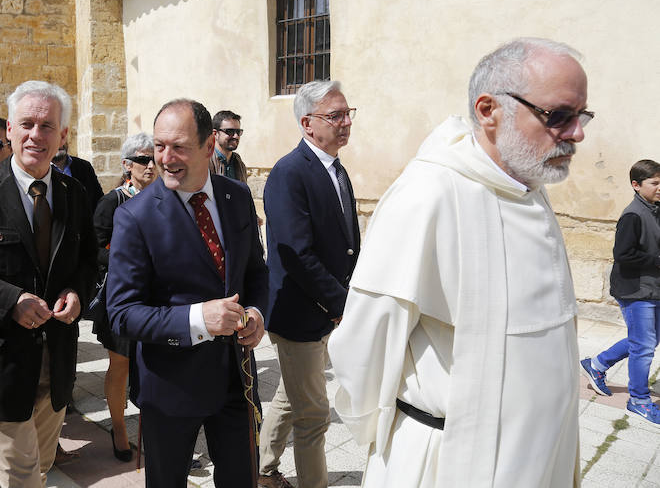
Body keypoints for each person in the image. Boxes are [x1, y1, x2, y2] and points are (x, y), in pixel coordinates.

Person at [328, 38, 590, 487]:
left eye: (581, 117)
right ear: (488, 110)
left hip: (540, 455)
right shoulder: (428, 195)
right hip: (448, 459)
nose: (577, 134)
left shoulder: (529, 186)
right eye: (559, 117)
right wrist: (389, 436)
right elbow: (366, 341)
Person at [106, 98, 268, 488]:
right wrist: (199, 319)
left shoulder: (236, 196)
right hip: (170, 390)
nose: (165, 158)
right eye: (159, 146)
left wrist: (259, 313)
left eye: (178, 147)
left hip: (237, 381)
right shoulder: (134, 216)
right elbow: (122, 313)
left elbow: (256, 272)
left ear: (209, 145)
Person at [0, 80, 97, 488]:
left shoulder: (74, 193)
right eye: (27, 124)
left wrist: (77, 293)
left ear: (63, 135)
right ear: (10, 130)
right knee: (23, 479)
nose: (37, 135)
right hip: (4, 365)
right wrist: (10, 298)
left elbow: (88, 262)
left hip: (58, 365)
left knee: (43, 468)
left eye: (48, 126)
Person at [259, 80, 360, 488]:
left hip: (327, 310)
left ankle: (262, 468)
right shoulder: (289, 173)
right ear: (307, 123)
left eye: (348, 113)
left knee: (291, 395)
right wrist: (340, 304)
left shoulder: (335, 168)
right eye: (335, 115)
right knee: (314, 417)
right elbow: (295, 254)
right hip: (301, 314)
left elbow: (346, 240)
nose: (346, 122)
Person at [91, 132, 155, 462]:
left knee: (154, 366)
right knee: (121, 364)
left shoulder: (164, 197)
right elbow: (97, 249)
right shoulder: (112, 202)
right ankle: (119, 428)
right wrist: (129, 259)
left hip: (157, 300)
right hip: (122, 298)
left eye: (153, 158)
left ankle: (154, 433)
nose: (151, 165)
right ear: (127, 165)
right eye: (143, 159)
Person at [581, 159, 660, 425]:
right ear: (636, 186)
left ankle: (597, 364)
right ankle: (638, 400)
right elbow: (623, 255)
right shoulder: (633, 215)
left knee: (646, 340)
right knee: (644, 346)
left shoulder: (655, 210)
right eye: (655, 183)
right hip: (635, 290)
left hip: (653, 288)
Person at [52, 137, 104, 211]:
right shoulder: (40, 170)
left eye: (63, 137)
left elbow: (98, 199)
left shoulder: (84, 167)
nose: (60, 142)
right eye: (56, 138)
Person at [210, 110, 247, 182]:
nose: (236, 136)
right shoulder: (204, 162)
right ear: (215, 134)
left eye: (238, 132)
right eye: (230, 131)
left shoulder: (238, 163)